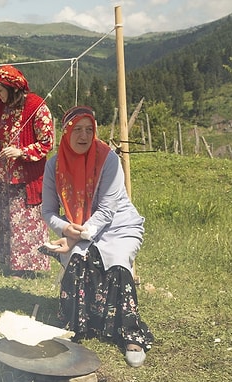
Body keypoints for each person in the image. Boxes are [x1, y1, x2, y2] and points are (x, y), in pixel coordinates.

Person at [41, 106, 154, 367]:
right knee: (79, 259)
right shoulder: (54, 165)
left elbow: (106, 211)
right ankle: (80, 325)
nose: (83, 136)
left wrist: (74, 237)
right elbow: (48, 211)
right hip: (79, 229)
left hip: (118, 226)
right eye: (77, 129)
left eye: (89, 130)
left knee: (117, 262)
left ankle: (131, 335)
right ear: (66, 133)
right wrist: (65, 230)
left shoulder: (108, 160)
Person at [0, 65, 54, 278]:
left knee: (23, 222)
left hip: (27, 179)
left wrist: (21, 151)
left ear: (13, 88)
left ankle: (25, 268)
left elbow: (47, 142)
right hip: (2, 176)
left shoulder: (37, 106)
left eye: (0, 91)